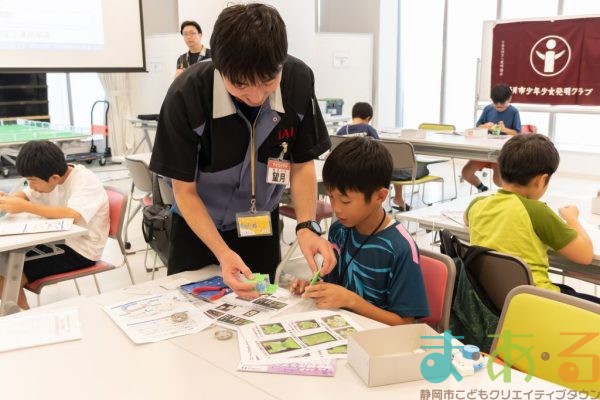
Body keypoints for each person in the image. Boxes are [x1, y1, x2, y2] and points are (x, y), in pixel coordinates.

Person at [150, 3, 335, 299]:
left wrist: (305, 226)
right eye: (240, 85)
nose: (256, 95)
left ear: (281, 65)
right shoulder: (186, 95)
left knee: (260, 307)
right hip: (198, 228)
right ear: (219, 66)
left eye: (267, 82)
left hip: (259, 227)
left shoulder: (298, 81)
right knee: (193, 313)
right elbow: (184, 190)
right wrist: (223, 253)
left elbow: (302, 164)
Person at [291, 137, 430, 325]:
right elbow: (334, 285)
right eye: (331, 197)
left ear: (380, 196)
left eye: (346, 201)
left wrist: (351, 300)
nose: (337, 209)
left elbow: (404, 324)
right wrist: (314, 287)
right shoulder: (339, 230)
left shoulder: (400, 248)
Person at [465, 134, 598, 304]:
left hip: (495, 300)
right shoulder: (536, 211)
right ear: (541, 180)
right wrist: (572, 218)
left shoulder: (477, 204)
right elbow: (585, 255)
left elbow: (469, 221)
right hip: (538, 301)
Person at [0, 141, 109, 309]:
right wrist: (11, 200)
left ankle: (23, 320)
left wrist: (23, 206)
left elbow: (72, 215)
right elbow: (27, 194)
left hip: (80, 250)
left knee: (6, 276)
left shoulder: (85, 181)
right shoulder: (48, 178)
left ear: (54, 178)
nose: (30, 185)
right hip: (57, 241)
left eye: (32, 180)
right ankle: (21, 317)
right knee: (4, 263)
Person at [335, 102, 418, 212]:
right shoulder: (368, 129)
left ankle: (396, 199)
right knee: (398, 167)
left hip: (347, 172)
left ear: (353, 115)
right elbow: (380, 150)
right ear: (368, 118)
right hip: (368, 171)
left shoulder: (341, 131)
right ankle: (398, 198)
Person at [462, 83, 522, 192]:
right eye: (495, 105)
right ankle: (483, 189)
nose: (498, 108)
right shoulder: (488, 109)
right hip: (484, 149)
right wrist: (484, 126)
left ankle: (513, 193)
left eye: (502, 106)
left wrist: (504, 130)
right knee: (466, 173)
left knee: (497, 181)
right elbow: (478, 127)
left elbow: (517, 133)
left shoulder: (513, 112)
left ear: (509, 99)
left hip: (500, 152)